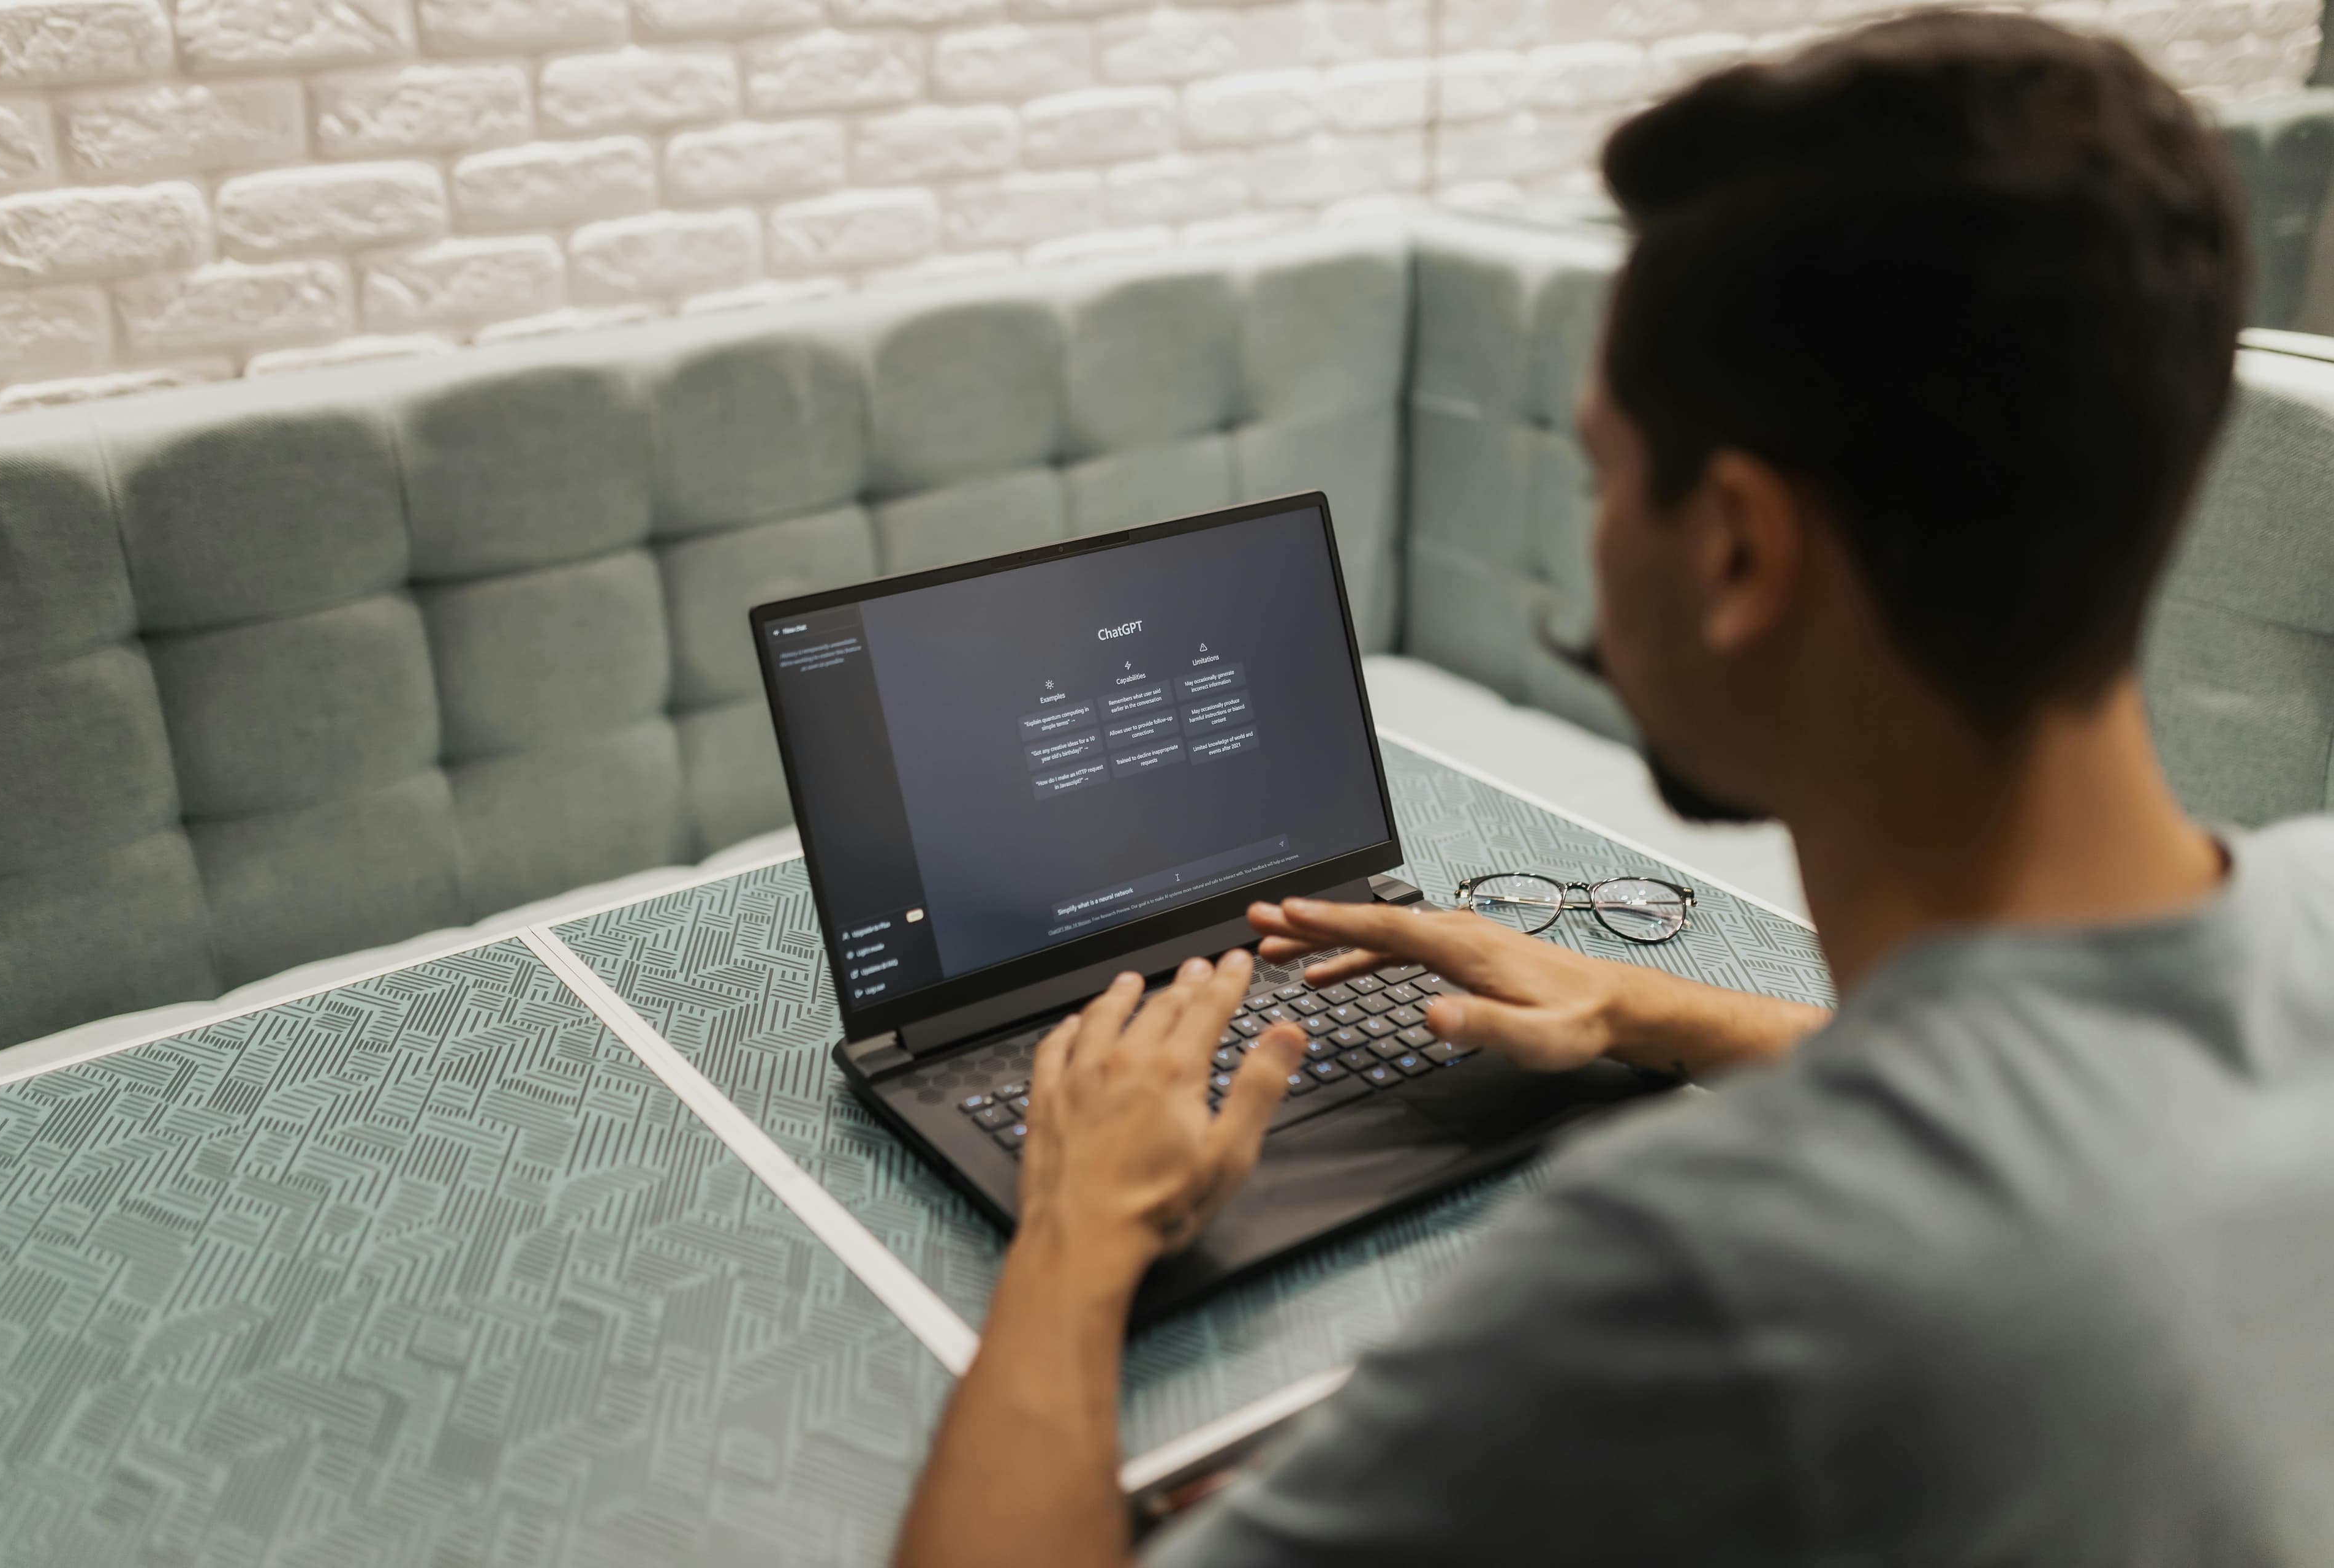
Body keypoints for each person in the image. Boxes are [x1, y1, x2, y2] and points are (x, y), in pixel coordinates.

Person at [895, 11, 2334, 1565]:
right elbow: (2074, 1094)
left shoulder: (1692, 1273)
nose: (1587, 538)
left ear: (1734, 550)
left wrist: (1079, 1226)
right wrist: (1649, 1007)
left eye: (1599, 471)